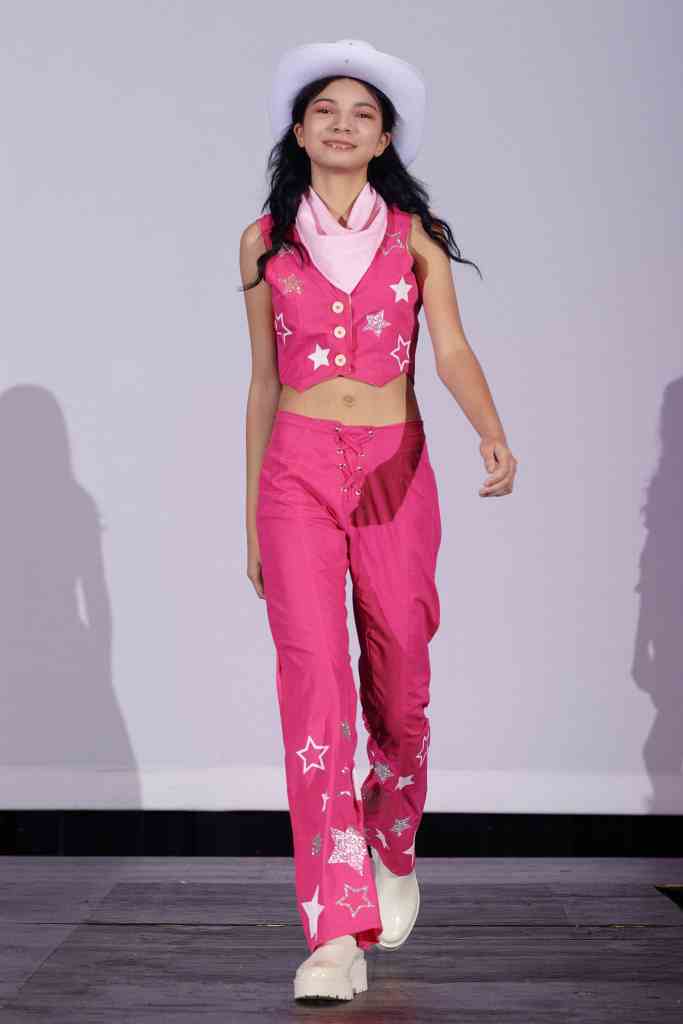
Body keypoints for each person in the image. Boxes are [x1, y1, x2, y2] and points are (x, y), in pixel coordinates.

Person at [239, 39, 518, 1003]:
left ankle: (391, 832)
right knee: (315, 693)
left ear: (385, 137)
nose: (342, 124)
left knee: (399, 685)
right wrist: (251, 520)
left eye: (362, 113)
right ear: (298, 130)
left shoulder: (416, 236)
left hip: (396, 468)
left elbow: (450, 350)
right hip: (296, 474)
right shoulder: (263, 241)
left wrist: (490, 432)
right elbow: (262, 384)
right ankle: (334, 930)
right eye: (325, 109)